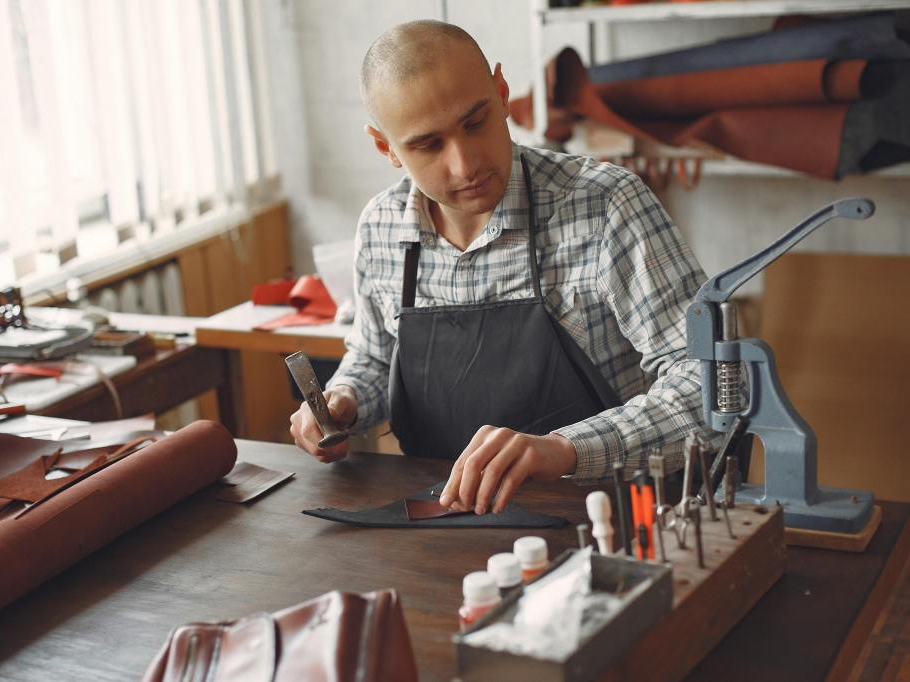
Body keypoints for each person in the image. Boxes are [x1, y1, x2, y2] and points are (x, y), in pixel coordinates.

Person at [289, 20, 709, 516]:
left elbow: (710, 381)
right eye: (428, 145)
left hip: (608, 517)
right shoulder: (381, 227)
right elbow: (375, 358)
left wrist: (563, 449)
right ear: (386, 148)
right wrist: (343, 402)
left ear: (502, 92)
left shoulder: (604, 205)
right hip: (442, 519)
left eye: (475, 122)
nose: (465, 165)